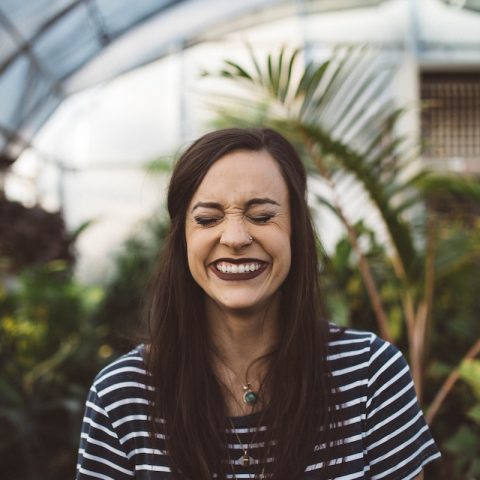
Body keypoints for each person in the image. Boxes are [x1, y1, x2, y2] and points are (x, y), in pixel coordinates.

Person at [76, 128, 440, 479]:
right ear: (182, 239)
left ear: (297, 229)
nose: (235, 237)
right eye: (207, 219)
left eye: (262, 215)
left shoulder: (371, 376)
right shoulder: (121, 396)